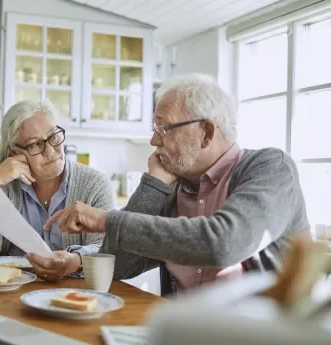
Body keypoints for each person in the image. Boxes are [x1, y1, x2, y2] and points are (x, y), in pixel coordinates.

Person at [43, 73, 310, 296]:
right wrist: (153, 184)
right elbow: (120, 265)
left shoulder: (271, 167)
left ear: (206, 132)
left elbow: (223, 243)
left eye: (163, 129)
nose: (153, 141)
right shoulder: (171, 185)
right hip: (183, 336)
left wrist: (106, 220)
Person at [0, 99, 116, 281]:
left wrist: (74, 260)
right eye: (35, 144)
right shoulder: (4, 186)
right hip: (12, 291)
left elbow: (106, 252)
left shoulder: (95, 184)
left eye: (53, 137)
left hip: (77, 292)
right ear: (14, 153)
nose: (50, 151)